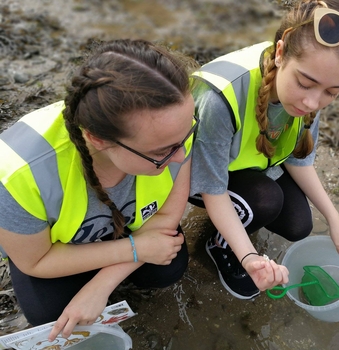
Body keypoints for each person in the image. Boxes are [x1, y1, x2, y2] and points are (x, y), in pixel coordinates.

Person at [189, 0, 339, 299]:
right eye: (305, 83)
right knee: (266, 199)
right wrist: (248, 257)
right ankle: (218, 245)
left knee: (298, 224)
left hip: (248, 165)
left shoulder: (313, 83)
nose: (313, 103)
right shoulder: (219, 98)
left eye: (332, 93)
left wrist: (336, 221)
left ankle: (241, 218)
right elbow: (212, 189)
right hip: (197, 172)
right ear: (280, 53)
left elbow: (300, 160)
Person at [0, 39, 198, 340]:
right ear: (98, 139)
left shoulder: (171, 128)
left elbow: (169, 214)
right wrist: (135, 249)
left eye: (185, 137)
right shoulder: (17, 175)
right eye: (162, 151)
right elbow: (35, 260)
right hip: (53, 251)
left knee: (169, 265)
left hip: (124, 234)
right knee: (50, 313)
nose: (181, 158)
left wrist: (102, 284)